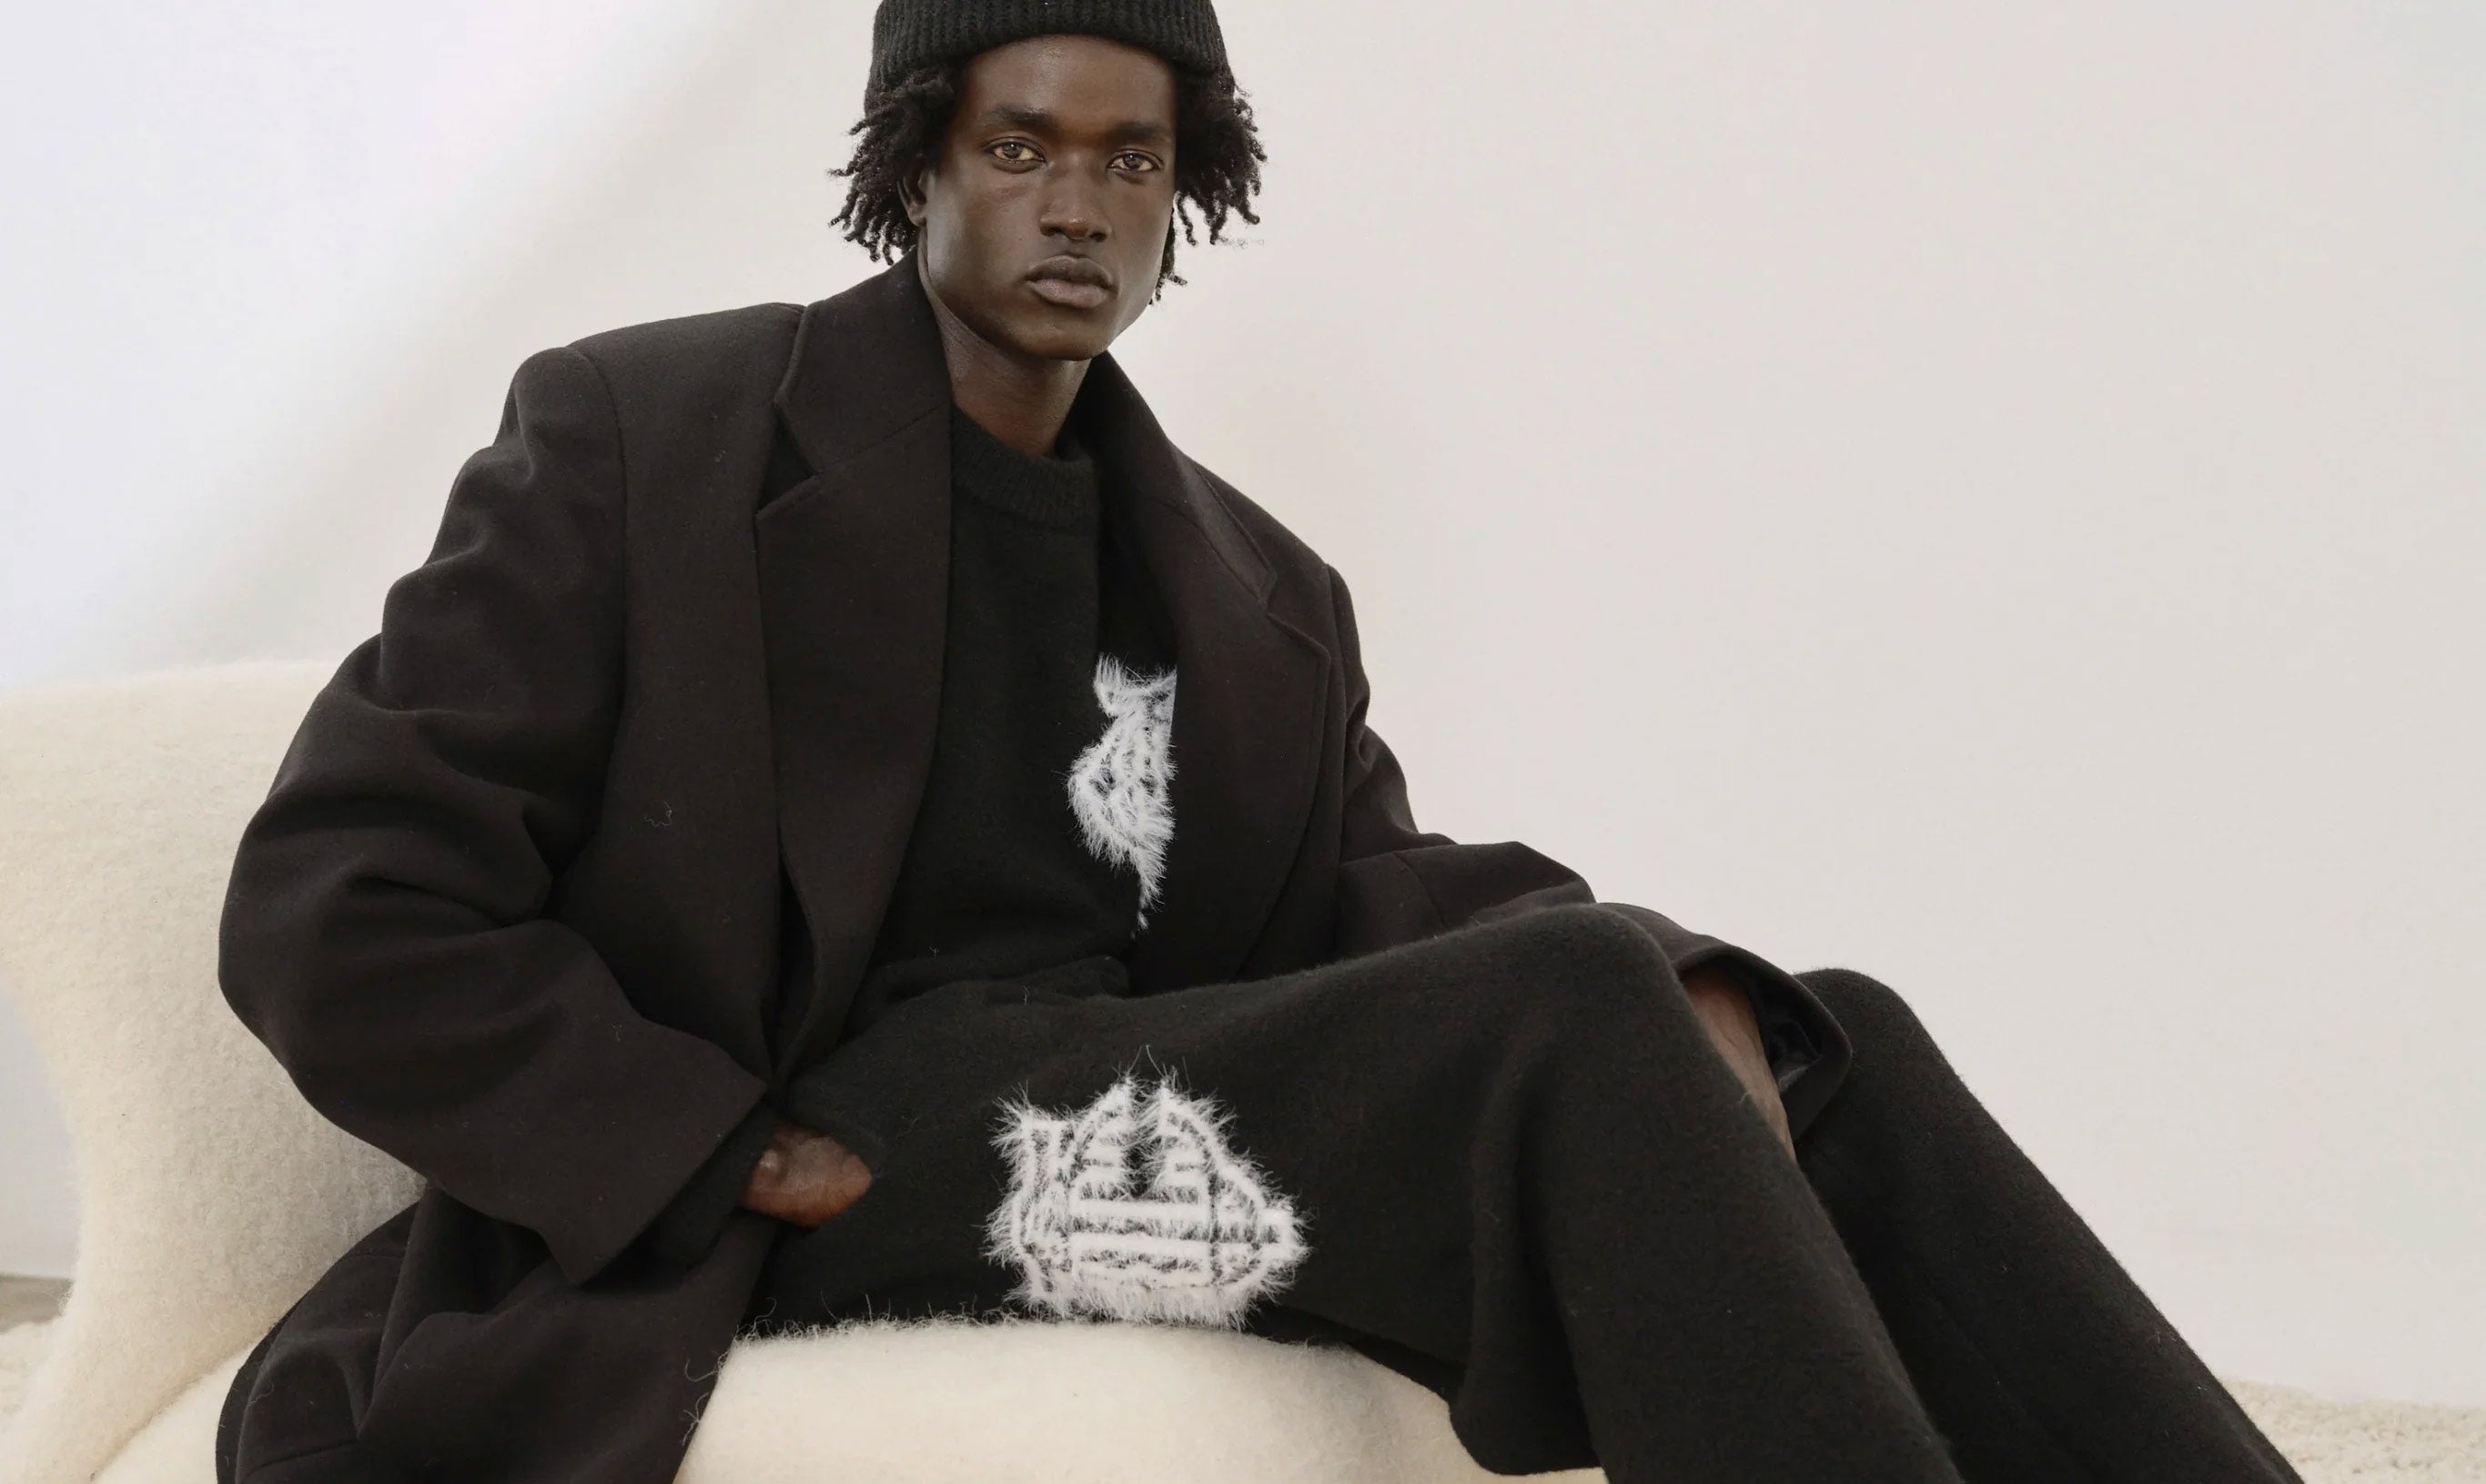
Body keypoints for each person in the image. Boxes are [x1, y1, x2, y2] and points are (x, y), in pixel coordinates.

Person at [212, 4, 2306, 1481]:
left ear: (1184, 193)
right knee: (1588, 1003)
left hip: (1127, 1104)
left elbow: (1363, 901)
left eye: (1128, 159)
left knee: (1819, 1033)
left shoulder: (1251, 587)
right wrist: (706, 1147)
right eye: (1019, 146)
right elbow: (335, 897)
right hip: (819, 1161)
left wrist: (1695, 987)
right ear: (915, 164)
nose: (1075, 205)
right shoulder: (648, 437)